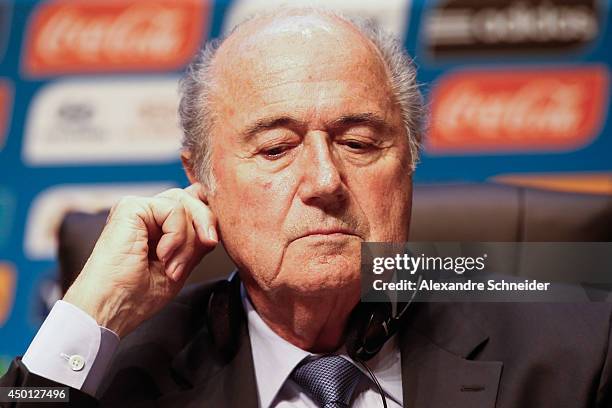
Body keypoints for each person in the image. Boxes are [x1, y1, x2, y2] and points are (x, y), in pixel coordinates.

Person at [2, 8, 611, 408]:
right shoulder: (114, 375)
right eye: (275, 148)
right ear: (202, 181)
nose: (324, 180)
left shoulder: (578, 343)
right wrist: (93, 309)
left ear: (410, 163)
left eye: (359, 143)